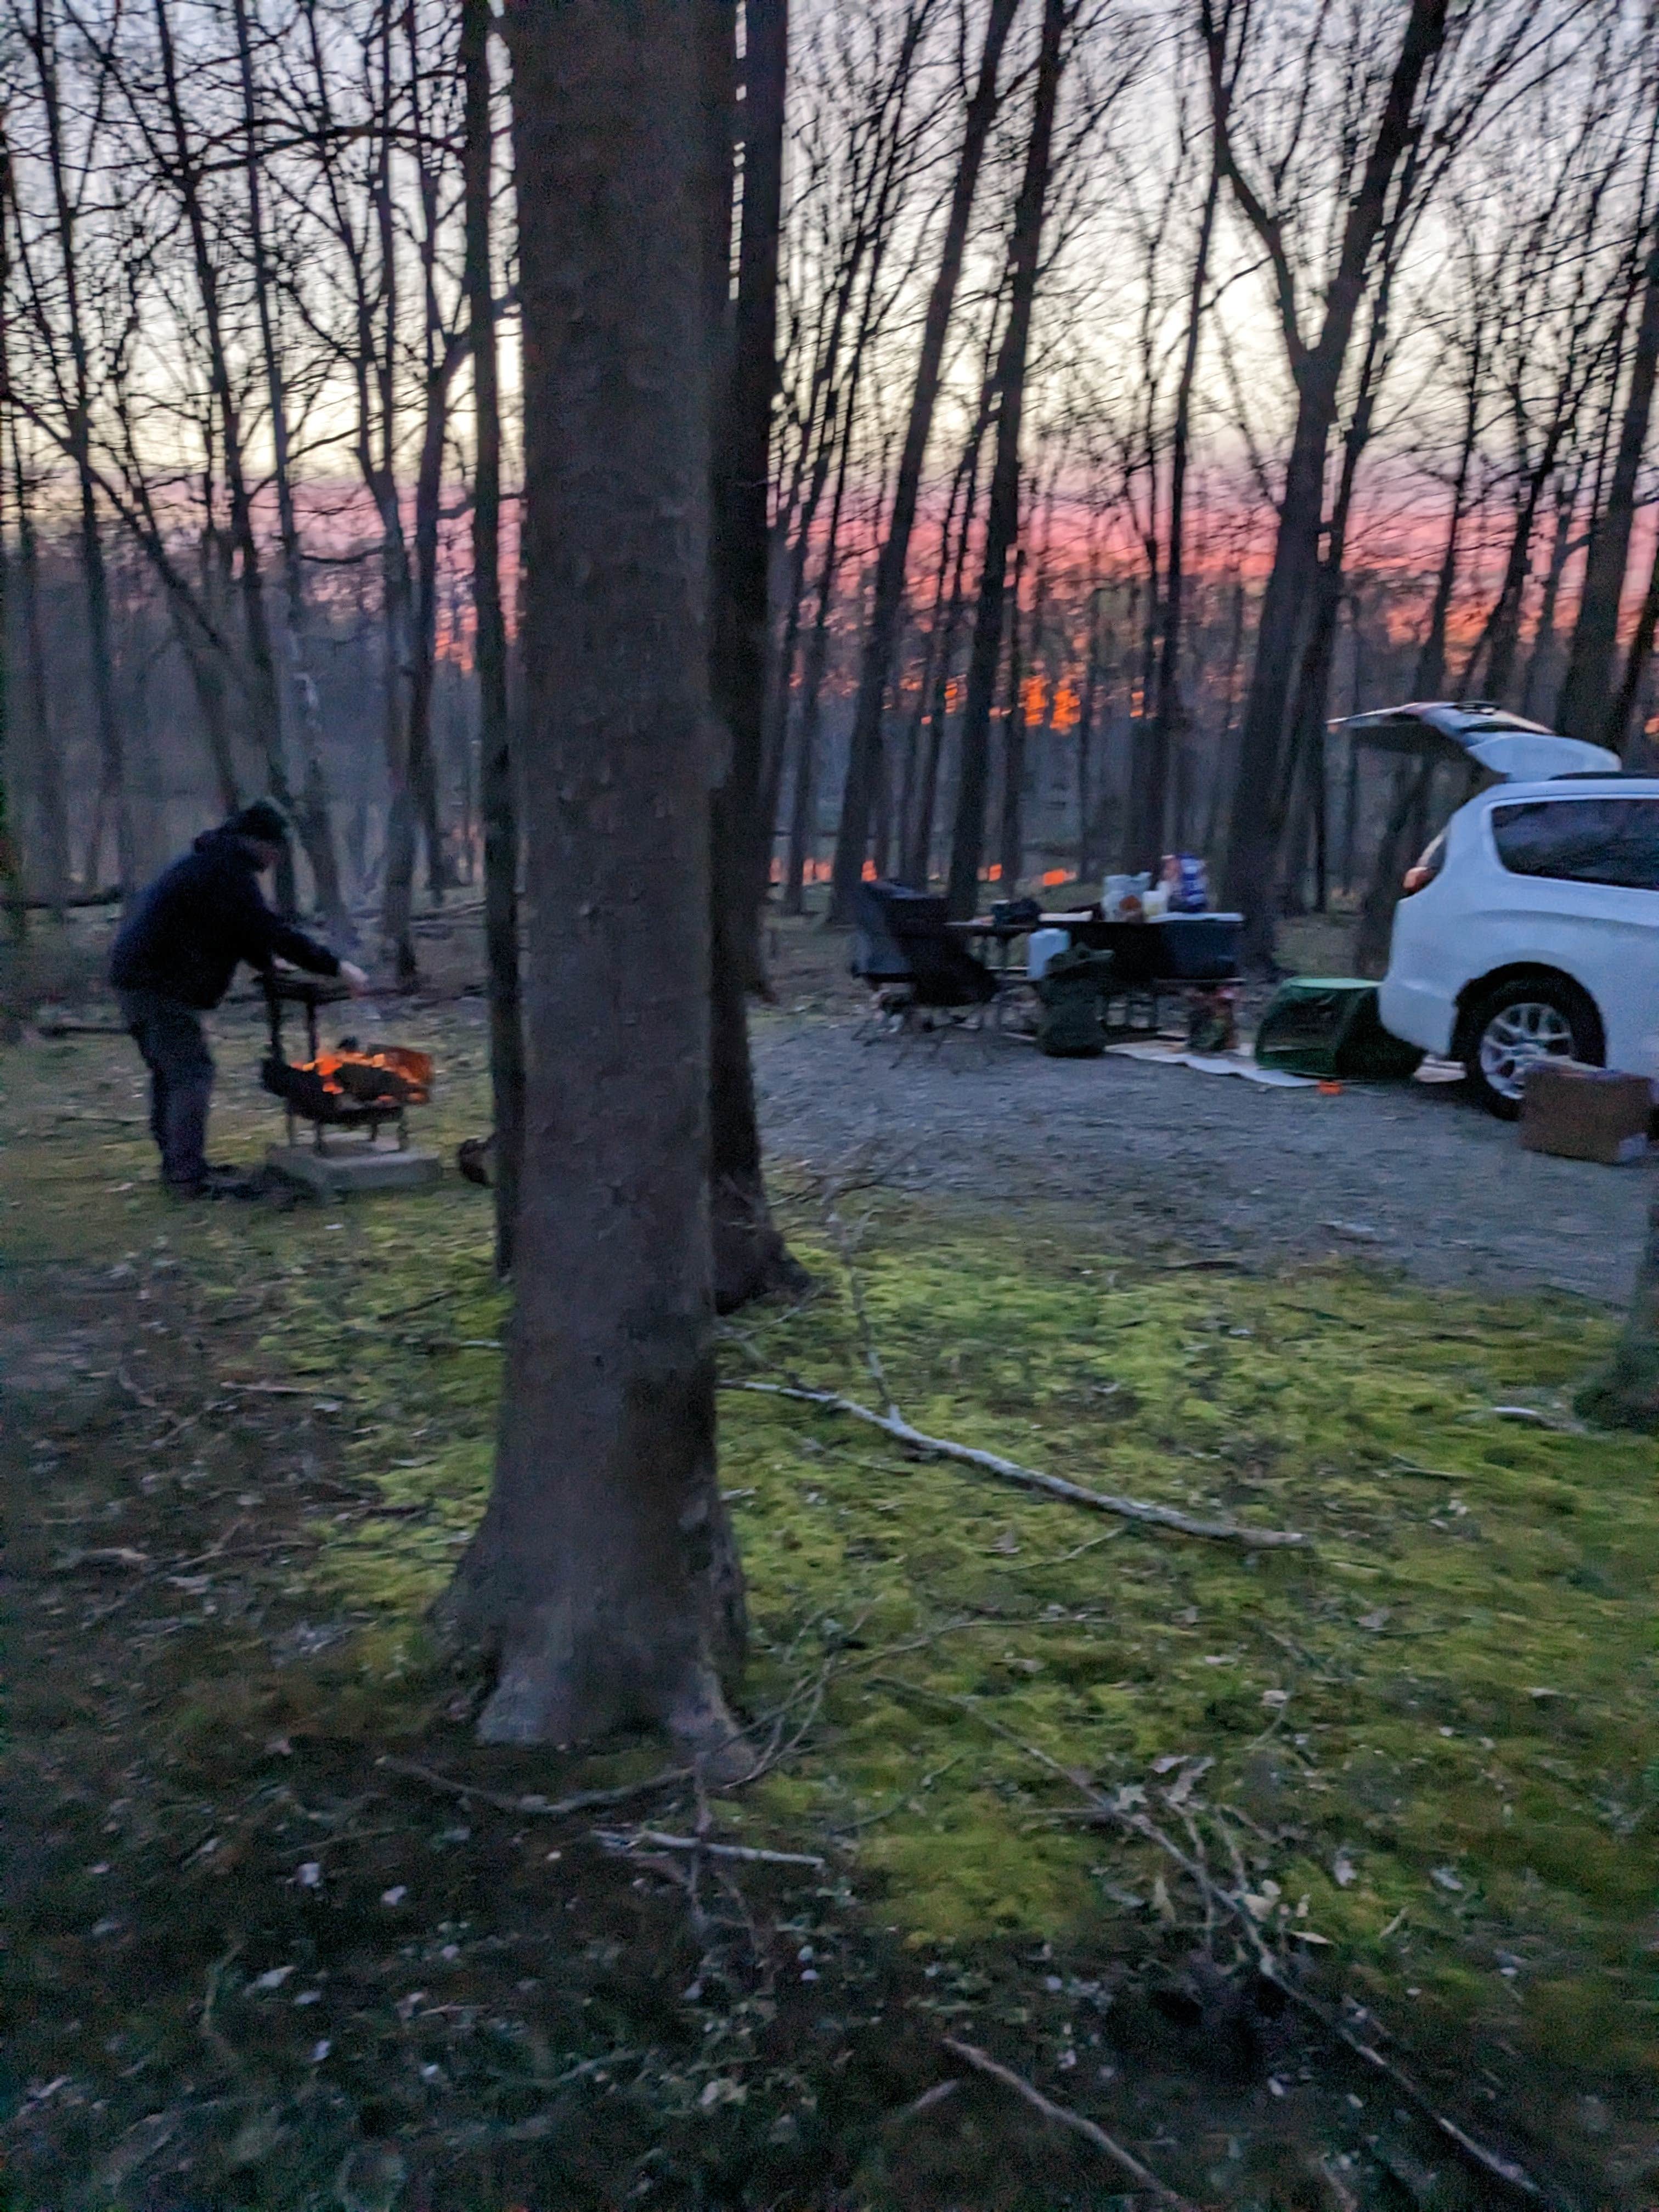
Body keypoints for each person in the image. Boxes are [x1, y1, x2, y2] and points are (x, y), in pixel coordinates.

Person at [109, 801, 368, 1195]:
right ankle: (187, 1177)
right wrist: (337, 966)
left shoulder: (213, 864)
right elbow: (265, 927)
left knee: (172, 1073)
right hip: (155, 985)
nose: (277, 858)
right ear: (258, 842)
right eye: (276, 848)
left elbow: (235, 929)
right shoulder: (226, 871)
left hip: (137, 978)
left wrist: (266, 963)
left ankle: (179, 1165)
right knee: (190, 1074)